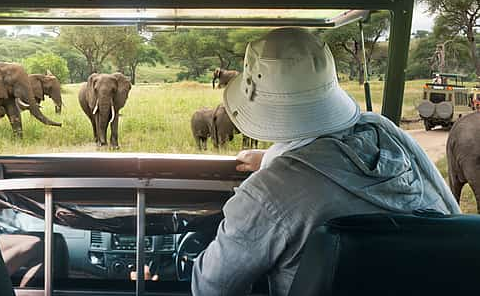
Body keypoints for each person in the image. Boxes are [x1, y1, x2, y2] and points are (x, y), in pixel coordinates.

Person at [191, 27, 460, 296]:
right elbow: (453, 219)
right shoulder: (387, 132)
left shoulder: (267, 194)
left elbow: (211, 288)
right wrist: (275, 163)